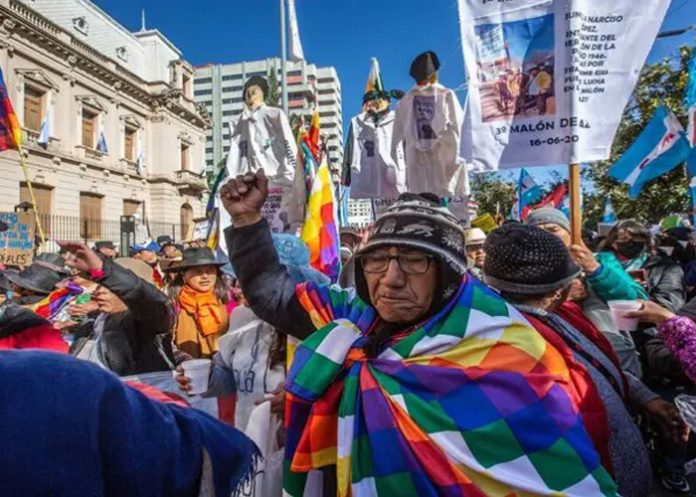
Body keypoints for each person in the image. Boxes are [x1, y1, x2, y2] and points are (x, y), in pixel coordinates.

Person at [219, 170, 620, 496]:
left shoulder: (508, 349)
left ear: (447, 274)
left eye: (413, 260)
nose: (390, 279)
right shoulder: (356, 316)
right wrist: (246, 222)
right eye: (375, 261)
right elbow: (274, 295)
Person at [482, 223, 687, 497]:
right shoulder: (512, 343)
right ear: (560, 289)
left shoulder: (562, 314)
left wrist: (644, 396)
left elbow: (597, 365)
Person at [0, 350, 259, 497]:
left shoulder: (58, 382)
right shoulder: (52, 379)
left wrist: (104, 271)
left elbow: (142, 299)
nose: (99, 293)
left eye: (208, 272)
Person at [526, 208, 647, 377]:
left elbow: (636, 299)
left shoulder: (602, 260)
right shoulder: (523, 271)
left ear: (570, 233)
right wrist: (562, 298)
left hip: (618, 360)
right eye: (538, 232)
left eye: (553, 229)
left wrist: (594, 269)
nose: (548, 236)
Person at [60, 242, 175, 376]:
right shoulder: (92, 320)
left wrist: (103, 269)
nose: (100, 291)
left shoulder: (147, 321)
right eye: (99, 285)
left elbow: (148, 298)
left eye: (111, 287)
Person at [599, 220, 685, 313]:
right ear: (613, 242)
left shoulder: (666, 268)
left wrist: (639, 303)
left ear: (646, 241)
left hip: (643, 325)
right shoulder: (598, 265)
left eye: (636, 240)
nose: (630, 243)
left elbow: (669, 303)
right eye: (624, 239)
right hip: (599, 323)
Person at [165, 247, 230, 360]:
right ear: (184, 275)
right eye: (198, 272)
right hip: (187, 371)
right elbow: (165, 342)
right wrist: (181, 359)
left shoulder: (229, 303)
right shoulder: (173, 306)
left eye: (210, 271)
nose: (205, 276)